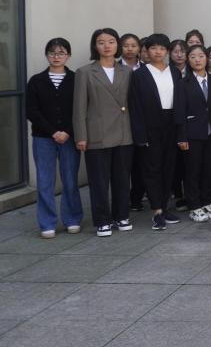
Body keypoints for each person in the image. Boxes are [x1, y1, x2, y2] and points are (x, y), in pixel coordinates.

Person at [73, 28, 134, 237]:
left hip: (124, 132)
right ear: (95, 46)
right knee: (99, 181)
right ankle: (102, 220)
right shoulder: (85, 72)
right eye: (101, 42)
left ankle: (121, 215)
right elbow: (79, 107)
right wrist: (81, 135)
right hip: (97, 133)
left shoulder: (127, 71)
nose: (106, 46)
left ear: (117, 45)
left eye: (111, 41)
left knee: (122, 179)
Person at [129, 34, 186, 231]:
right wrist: (140, 134)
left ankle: (165, 206)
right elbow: (135, 106)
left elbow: (181, 102)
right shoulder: (139, 75)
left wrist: (181, 131)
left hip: (171, 125)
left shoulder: (175, 72)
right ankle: (157, 211)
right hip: (150, 126)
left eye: (162, 48)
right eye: (153, 48)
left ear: (167, 51)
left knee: (168, 168)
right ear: (146, 51)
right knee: (152, 169)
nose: (158, 52)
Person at [27, 38, 83, 238]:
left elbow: (80, 109)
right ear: (47, 55)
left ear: (68, 55)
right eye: (52, 53)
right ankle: (47, 223)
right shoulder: (36, 81)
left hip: (70, 137)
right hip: (43, 138)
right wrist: (53, 132)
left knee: (70, 180)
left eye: (61, 53)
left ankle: (72, 219)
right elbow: (32, 111)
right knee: (45, 181)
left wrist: (67, 131)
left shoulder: (76, 79)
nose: (56, 57)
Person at [176, 44, 211, 223]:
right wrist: (181, 137)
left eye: (201, 56)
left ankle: (206, 202)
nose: (197, 60)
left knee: (208, 170)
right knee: (193, 171)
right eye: (193, 56)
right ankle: (194, 206)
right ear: (188, 60)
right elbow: (179, 111)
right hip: (192, 133)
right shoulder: (183, 83)